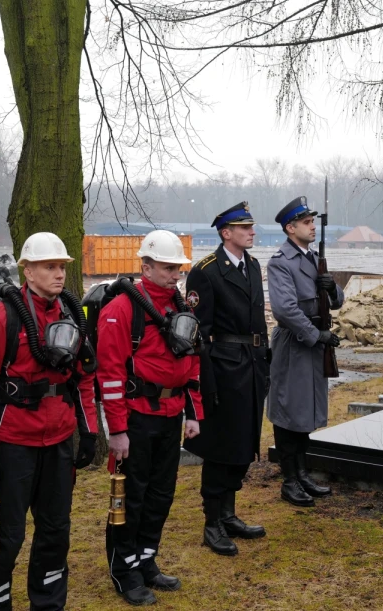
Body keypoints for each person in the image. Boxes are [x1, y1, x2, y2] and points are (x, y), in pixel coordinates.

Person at [0, 232, 98, 611]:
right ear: (28, 269)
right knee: (8, 535)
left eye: (62, 267)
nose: (59, 274)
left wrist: (89, 433)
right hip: (13, 445)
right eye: (50, 266)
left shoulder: (72, 316)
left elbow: (85, 379)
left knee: (56, 531)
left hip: (57, 443)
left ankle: (49, 604)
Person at [98, 229, 203, 606]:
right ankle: (123, 570)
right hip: (137, 417)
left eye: (178, 268)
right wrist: (118, 430)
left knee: (161, 493)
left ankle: (146, 560)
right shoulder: (122, 309)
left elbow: (191, 363)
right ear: (146, 266)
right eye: (167, 267)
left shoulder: (179, 309)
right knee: (131, 496)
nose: (175, 274)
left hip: (171, 415)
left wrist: (193, 413)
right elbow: (109, 375)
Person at [184, 202, 269, 557]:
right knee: (220, 447)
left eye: (251, 227)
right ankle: (212, 522)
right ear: (226, 233)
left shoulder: (252, 265)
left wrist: (265, 361)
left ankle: (229, 513)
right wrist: (207, 381)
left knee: (242, 443)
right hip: (222, 367)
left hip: (250, 366)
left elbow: (259, 322)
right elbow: (196, 333)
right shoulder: (205, 272)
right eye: (245, 227)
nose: (252, 232)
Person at [267, 196, 345, 507]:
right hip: (296, 343)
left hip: (313, 342)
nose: (312, 227)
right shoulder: (280, 262)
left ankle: (302, 472)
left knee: (306, 410)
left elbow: (336, 301)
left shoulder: (313, 259)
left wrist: (331, 286)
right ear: (290, 228)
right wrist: (317, 336)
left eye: (313, 222)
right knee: (289, 411)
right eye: (307, 222)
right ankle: (289, 479)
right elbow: (285, 310)